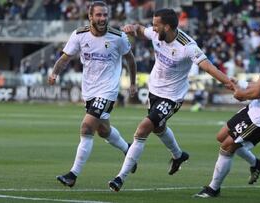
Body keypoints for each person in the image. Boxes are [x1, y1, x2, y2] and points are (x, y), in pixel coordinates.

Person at [108, 8, 232, 192]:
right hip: (154, 90)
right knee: (159, 128)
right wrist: (132, 27)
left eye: (156, 25)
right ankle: (178, 155)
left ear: (167, 26)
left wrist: (229, 83)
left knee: (144, 128)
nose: (153, 28)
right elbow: (142, 30)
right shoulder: (156, 34)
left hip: (172, 97)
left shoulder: (187, 46)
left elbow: (208, 67)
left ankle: (120, 177)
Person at [194, 13, 260, 198]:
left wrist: (240, 94)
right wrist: (240, 83)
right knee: (221, 136)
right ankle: (256, 164)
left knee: (227, 146)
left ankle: (213, 189)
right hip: (257, 108)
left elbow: (258, 92)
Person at [48, 1, 137, 188]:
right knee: (103, 130)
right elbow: (65, 58)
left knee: (87, 128)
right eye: (98, 15)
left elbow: (130, 59)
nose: (103, 18)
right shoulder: (79, 35)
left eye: (105, 15)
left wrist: (133, 83)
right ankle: (128, 149)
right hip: (89, 91)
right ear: (90, 17)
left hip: (108, 91)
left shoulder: (118, 36)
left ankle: (73, 174)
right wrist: (55, 72)